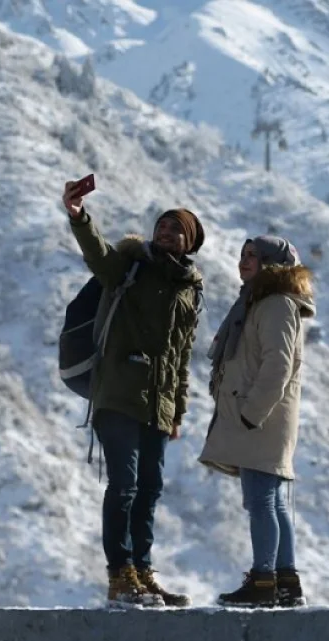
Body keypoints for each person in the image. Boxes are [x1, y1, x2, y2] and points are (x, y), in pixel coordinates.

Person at [62, 179, 205, 608]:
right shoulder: (129, 267)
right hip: (118, 395)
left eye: (176, 229)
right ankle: (119, 575)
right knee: (123, 485)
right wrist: (79, 216)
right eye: (162, 226)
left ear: (190, 241)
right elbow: (97, 253)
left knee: (149, 489)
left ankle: (143, 573)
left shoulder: (190, 290)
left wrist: (177, 412)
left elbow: (181, 358)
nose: (165, 233)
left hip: (158, 408)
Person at [198, 235, 315, 608]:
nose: (244, 261)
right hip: (261, 417)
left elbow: (278, 365)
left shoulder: (276, 305)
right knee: (272, 499)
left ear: (274, 265)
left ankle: (264, 579)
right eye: (243, 254)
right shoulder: (260, 303)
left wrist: (250, 413)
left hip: (262, 418)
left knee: (262, 499)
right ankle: (284, 580)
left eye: (255, 256)